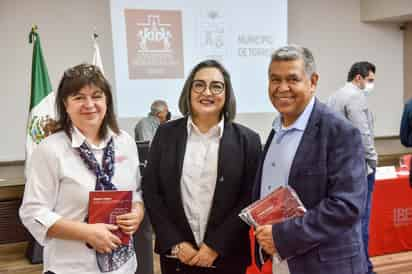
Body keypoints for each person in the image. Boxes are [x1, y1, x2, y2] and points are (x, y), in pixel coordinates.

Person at [19, 63, 144, 274]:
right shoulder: (51, 149)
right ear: (65, 105)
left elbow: (136, 192)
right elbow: (32, 212)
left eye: (96, 96)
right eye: (78, 97)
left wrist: (137, 212)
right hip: (72, 267)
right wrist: (86, 232)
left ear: (107, 102)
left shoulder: (125, 142)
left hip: (123, 265)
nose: (89, 104)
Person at [253, 45, 367, 274]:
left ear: (312, 82)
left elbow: (346, 206)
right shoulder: (277, 129)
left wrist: (280, 236)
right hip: (280, 261)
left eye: (292, 79)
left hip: (325, 265)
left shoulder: (339, 131)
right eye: (275, 79)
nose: (282, 88)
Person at [142, 59, 262, 274]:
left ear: (226, 94)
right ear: (189, 91)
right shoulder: (166, 134)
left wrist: (216, 246)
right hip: (178, 258)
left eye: (216, 86)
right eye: (199, 85)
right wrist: (176, 243)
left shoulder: (248, 140)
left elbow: (249, 198)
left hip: (227, 257)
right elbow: (152, 191)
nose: (207, 92)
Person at [327, 61, 378, 274]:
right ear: (359, 78)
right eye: (370, 80)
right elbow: (362, 133)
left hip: (337, 168)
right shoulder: (356, 96)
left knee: (344, 223)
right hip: (359, 168)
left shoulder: (333, 96)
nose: (371, 84)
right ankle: (364, 268)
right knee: (361, 221)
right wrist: (373, 160)